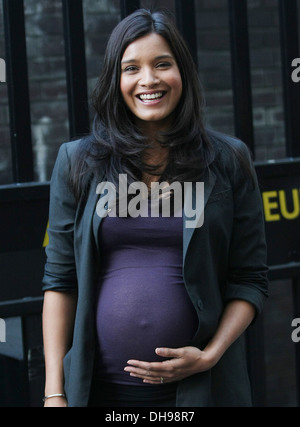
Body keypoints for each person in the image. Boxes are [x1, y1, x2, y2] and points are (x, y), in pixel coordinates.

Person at [42, 8, 269, 407]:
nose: (149, 80)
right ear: (116, 80)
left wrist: (210, 355)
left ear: (182, 72)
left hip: (201, 392)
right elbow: (60, 281)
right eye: (132, 68)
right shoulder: (78, 162)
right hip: (101, 393)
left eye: (162, 64)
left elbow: (249, 277)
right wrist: (54, 393)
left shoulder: (229, 160)